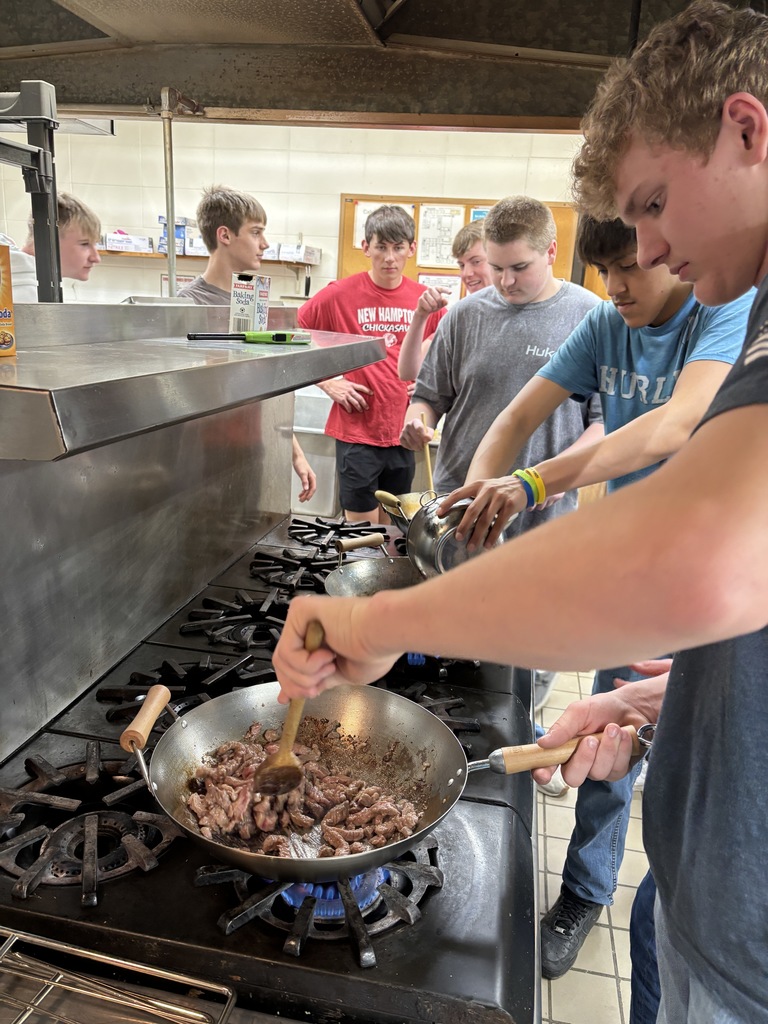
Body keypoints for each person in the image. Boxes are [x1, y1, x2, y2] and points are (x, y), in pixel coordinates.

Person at [272, 3, 768, 1022]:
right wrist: (671, 699)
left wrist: (375, 625)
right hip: (718, 905)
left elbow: (699, 552)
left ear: (747, 131)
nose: (656, 248)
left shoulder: (739, 310)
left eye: (655, 203)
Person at [437, 214, 751, 982]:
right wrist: (484, 491)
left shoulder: (725, 309)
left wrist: (536, 482)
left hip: (721, 580)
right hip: (635, 572)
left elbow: (674, 426)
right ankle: (601, 891)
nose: (615, 290)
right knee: (605, 745)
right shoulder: (609, 323)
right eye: (604, 272)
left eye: (631, 270)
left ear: (667, 253)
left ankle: (587, 893)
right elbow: (516, 416)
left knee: (686, 767)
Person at [399, 196, 603, 541]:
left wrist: (556, 474)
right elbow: (428, 399)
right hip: (461, 507)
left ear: (551, 252)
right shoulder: (463, 316)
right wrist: (417, 421)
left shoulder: (590, 316)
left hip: (544, 514)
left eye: (520, 267)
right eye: (496, 267)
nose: (505, 281)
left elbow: (603, 421)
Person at [297, 205, 445, 523]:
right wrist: (327, 381)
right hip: (357, 431)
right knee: (361, 531)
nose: (389, 258)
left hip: (404, 430)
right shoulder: (338, 294)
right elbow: (295, 333)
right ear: (366, 247)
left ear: (411, 249)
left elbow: (443, 355)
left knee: (393, 526)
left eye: (398, 248)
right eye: (381, 247)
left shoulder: (427, 303)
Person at [179, 185, 316, 502]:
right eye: (256, 233)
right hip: (203, 454)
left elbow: (266, 388)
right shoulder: (190, 305)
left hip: (251, 448)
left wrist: (294, 452)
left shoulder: (254, 303)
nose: (264, 244)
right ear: (225, 235)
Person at [397, 220, 494, 381]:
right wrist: (420, 316)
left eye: (476, 262)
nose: (467, 273)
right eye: (462, 265)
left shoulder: (522, 313)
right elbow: (408, 372)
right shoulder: (461, 317)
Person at [6, 192, 102, 300]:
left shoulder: (32, 282)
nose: (96, 258)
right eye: (84, 244)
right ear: (48, 239)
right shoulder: (27, 292)